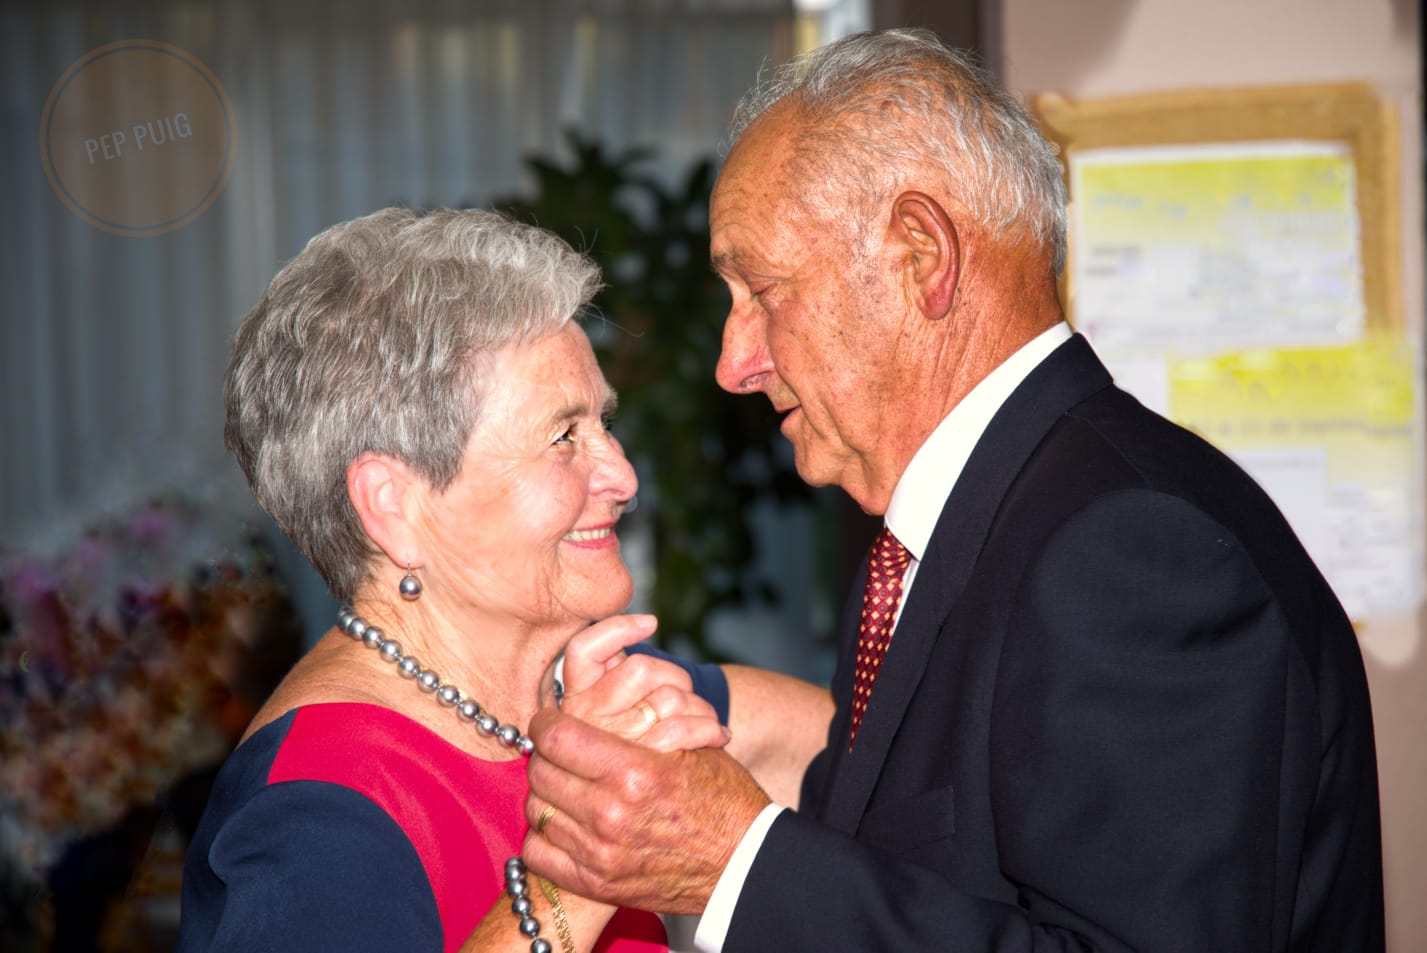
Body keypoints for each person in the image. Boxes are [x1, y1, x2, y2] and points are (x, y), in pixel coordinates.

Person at [521, 28, 1386, 952]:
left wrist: (736, 859)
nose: (735, 363)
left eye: (762, 291)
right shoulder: (939, 535)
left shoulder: (1128, 546)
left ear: (920, 256)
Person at [176, 207, 825, 953]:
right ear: (394, 506)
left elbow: (865, 756)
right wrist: (582, 858)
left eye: (603, 424)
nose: (621, 474)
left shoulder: (577, 695)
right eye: (563, 437)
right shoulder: (316, 809)